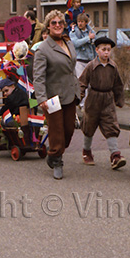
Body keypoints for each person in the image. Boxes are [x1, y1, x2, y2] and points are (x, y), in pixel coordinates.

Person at [33, 10, 81, 180]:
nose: (58, 25)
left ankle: (53, 155)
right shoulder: (43, 49)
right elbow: (38, 77)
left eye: (60, 22)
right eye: (53, 23)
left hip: (70, 93)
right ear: (48, 26)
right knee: (57, 131)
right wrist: (41, 98)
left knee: (69, 130)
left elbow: (71, 69)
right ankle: (57, 161)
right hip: (52, 97)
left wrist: (78, 89)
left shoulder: (69, 43)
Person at [78, 37, 126, 169]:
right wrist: (78, 97)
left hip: (108, 100)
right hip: (93, 99)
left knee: (111, 125)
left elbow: (118, 84)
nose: (106, 52)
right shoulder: (91, 66)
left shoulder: (113, 66)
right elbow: (82, 83)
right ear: (97, 50)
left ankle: (115, 155)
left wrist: (119, 99)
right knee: (89, 126)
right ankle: (86, 151)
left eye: (108, 50)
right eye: (103, 49)